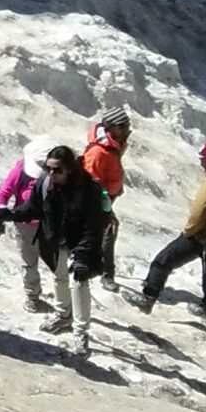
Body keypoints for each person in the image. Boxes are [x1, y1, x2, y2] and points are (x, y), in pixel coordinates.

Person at [135, 142, 206, 321]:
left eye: (203, 159)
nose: (201, 163)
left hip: (201, 236)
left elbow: (199, 212)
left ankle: (147, 298)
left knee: (163, 261)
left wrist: (190, 232)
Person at [25, 143, 110, 356]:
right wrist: (9, 213)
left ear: (70, 169)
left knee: (79, 284)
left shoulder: (88, 190)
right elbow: (33, 207)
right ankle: (63, 316)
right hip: (58, 240)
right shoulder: (45, 183)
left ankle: (81, 332)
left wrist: (82, 255)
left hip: (81, 242)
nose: (52, 173)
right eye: (49, 168)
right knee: (60, 277)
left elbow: (93, 226)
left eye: (57, 170)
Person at [0, 138, 51, 312]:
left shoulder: (59, 172)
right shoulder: (21, 169)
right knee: (29, 262)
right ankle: (33, 296)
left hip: (51, 224)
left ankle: (64, 302)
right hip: (26, 225)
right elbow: (4, 193)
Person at [82, 106, 133, 285]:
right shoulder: (98, 151)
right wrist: (105, 206)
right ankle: (105, 273)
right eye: (123, 126)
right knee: (108, 230)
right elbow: (91, 182)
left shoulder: (112, 144)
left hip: (106, 196)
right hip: (97, 198)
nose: (127, 129)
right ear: (112, 127)